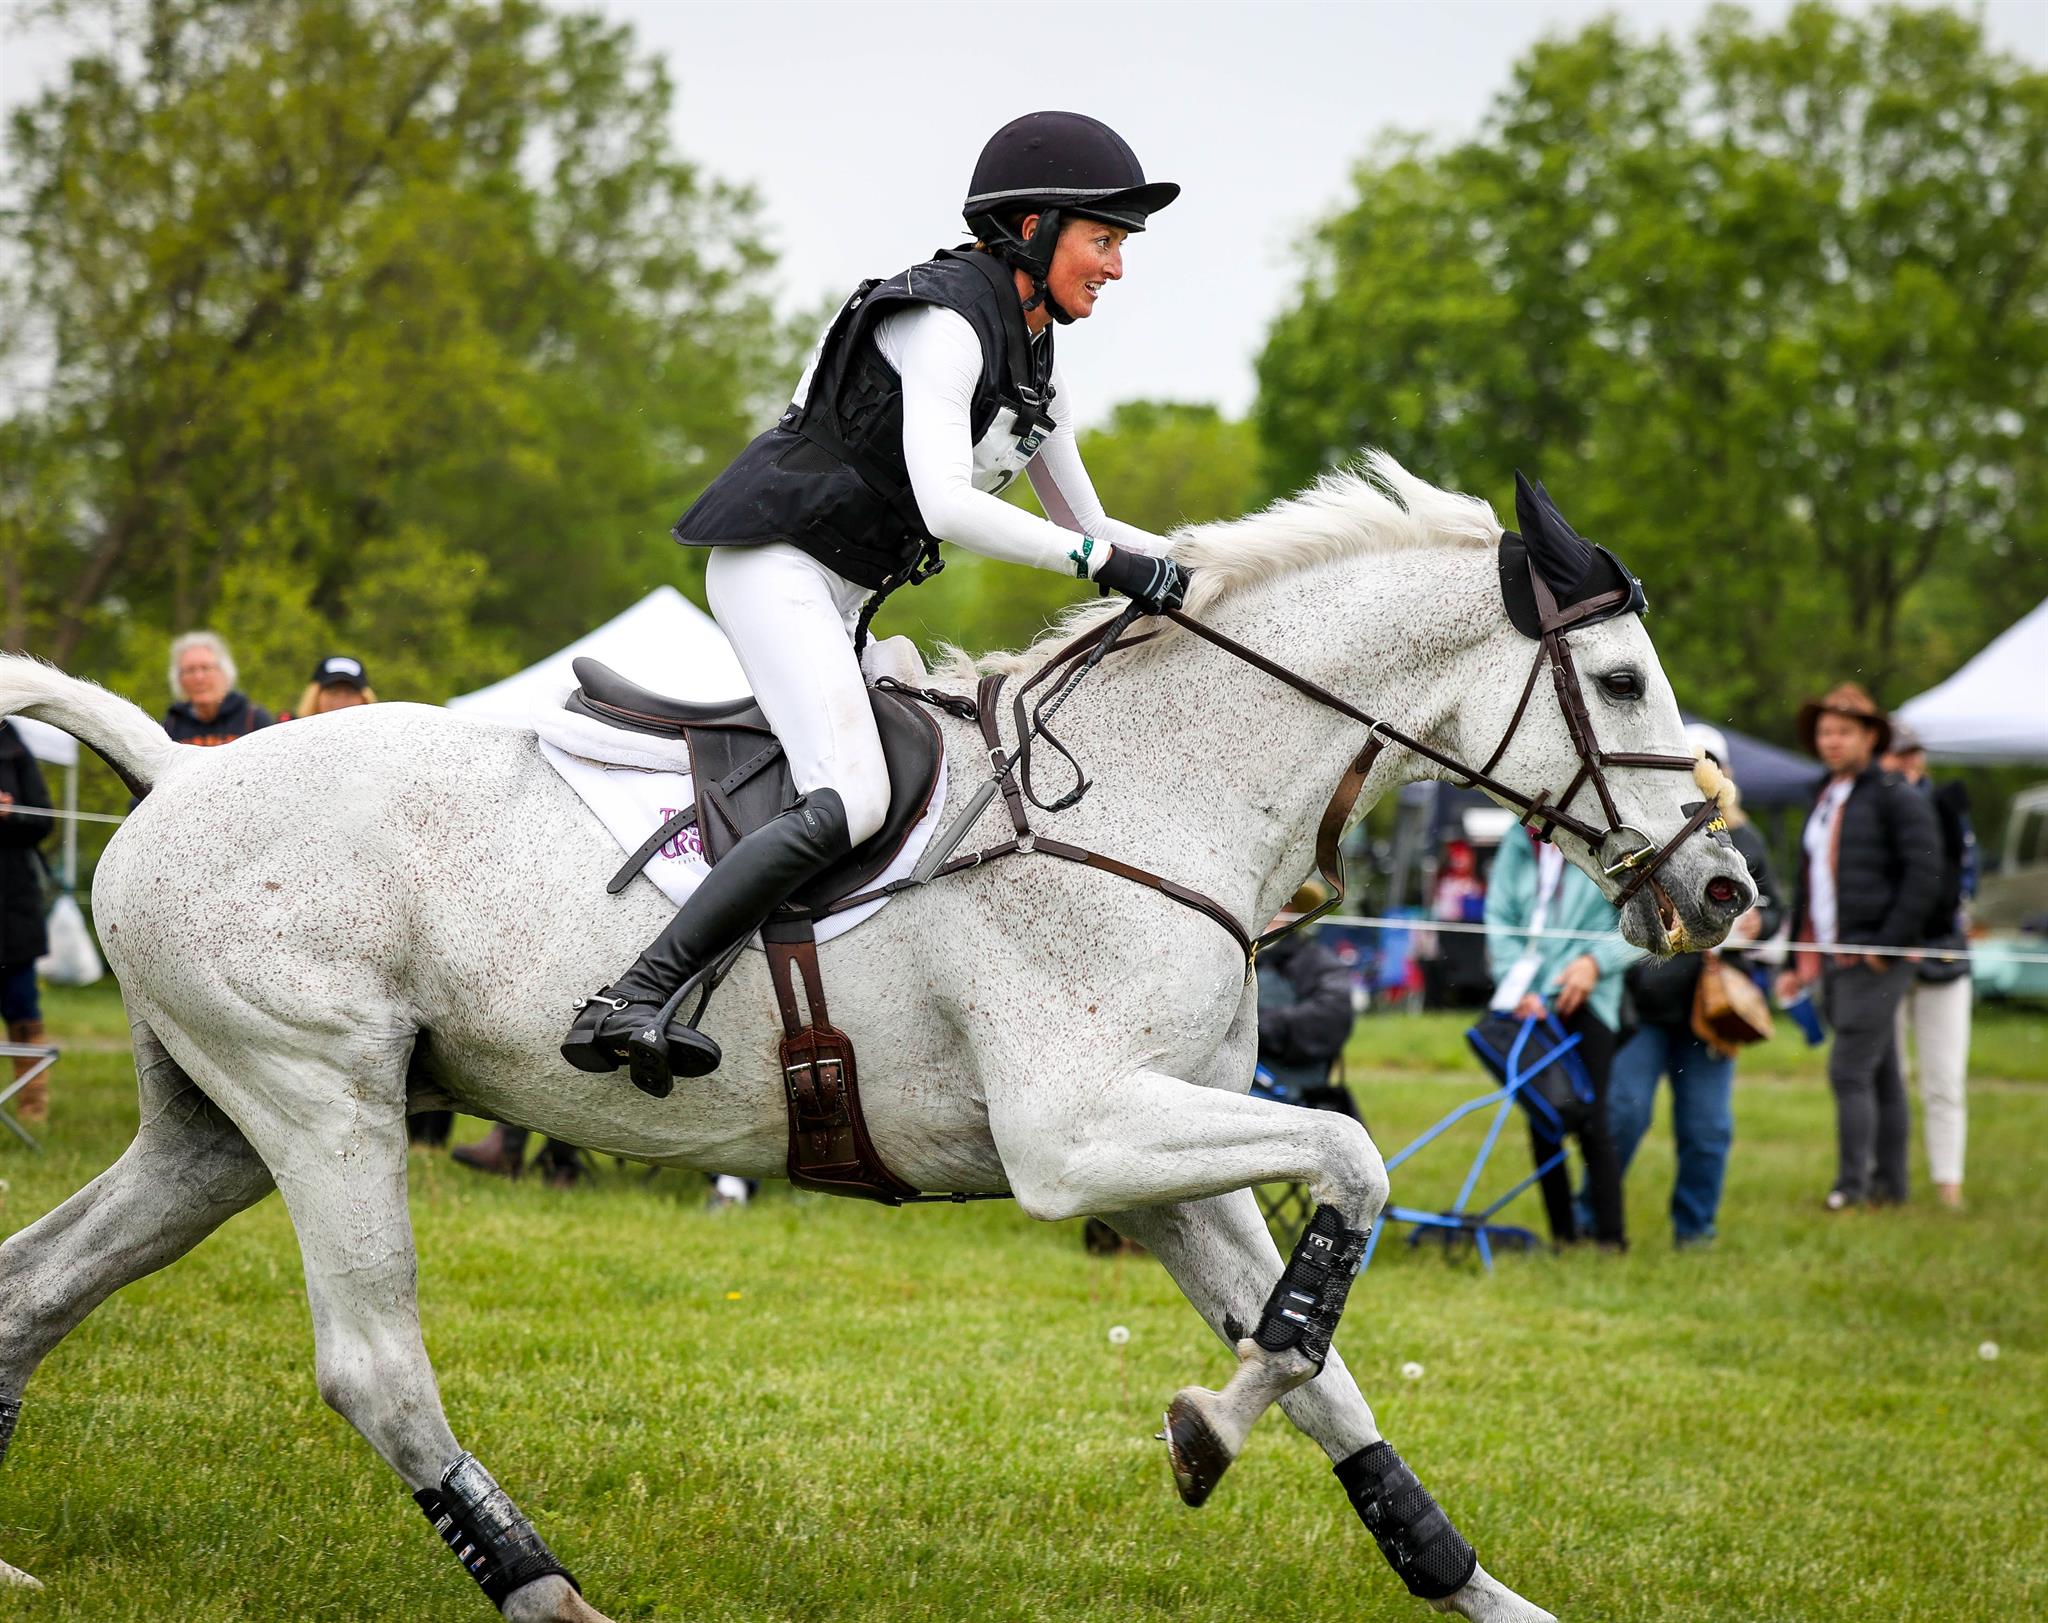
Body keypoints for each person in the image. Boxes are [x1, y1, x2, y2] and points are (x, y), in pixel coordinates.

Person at [562, 111, 1188, 1082]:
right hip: (774, 566)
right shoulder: (941, 324)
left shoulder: (1034, 359)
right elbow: (947, 506)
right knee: (851, 794)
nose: (1115, 266)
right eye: (1102, 239)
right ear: (1031, 227)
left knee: (930, 762)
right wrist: (1103, 569)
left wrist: (1222, 569)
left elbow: (1096, 530)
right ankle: (631, 995)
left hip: (843, 598)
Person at [1601, 725, 1780, 1247]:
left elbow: (1776, 907)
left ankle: (1695, 1231)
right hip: (1648, 1005)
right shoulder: (1643, 834)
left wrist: (1758, 925)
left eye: (1708, 764)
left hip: (1715, 1012)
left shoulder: (1745, 840)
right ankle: (1596, 1216)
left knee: (1707, 1130)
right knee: (1623, 1115)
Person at [1775, 684, 1940, 1211]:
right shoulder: (1822, 797)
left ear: (1870, 736)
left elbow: (1925, 874)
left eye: (1844, 731)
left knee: (1848, 1070)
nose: (1832, 741)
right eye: (1825, 732)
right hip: (1831, 957)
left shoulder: (1896, 795)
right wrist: (1792, 959)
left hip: (1873, 959)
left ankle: (1852, 1187)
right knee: (1883, 1072)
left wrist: (1886, 946)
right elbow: (1807, 886)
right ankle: (1891, 1186)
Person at [1484, 823, 1637, 1249]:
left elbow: (1644, 926)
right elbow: (1499, 917)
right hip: (1528, 1001)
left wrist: (1595, 963)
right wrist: (1518, 986)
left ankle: (1611, 1239)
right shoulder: (1516, 842)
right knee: (1542, 1117)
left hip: (1590, 998)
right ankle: (1563, 1238)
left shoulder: (1610, 844)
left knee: (1592, 1119)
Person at [1879, 720, 1974, 1209]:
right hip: (1888, 957)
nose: (1906, 762)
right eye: (1897, 753)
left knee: (1944, 1079)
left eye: (1912, 752)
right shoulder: (1872, 808)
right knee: (1888, 1075)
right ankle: (1888, 1181)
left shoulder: (1946, 806)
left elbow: (1960, 881)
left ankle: (1948, 1185)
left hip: (1942, 954)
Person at [1255, 883, 1359, 1105]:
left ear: (1291, 912)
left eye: (1276, 904)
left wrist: (1254, 1025)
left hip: (1291, 1095)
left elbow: (1330, 1019)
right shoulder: (1230, 962)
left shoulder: (1318, 963)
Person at [0, 722, 54, 1126]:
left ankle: (31, 1106)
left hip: (12, 901)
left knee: (22, 1006)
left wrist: (11, 813)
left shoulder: (13, 744)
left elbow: (43, 820)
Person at [163, 632, 273, 745]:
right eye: (190, 670)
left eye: (206, 668)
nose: (199, 677)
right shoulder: (171, 726)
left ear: (225, 673)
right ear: (178, 679)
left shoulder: (253, 720)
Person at [292, 654, 378, 719]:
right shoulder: (288, 731)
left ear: (364, 699)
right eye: (333, 692)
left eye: (350, 692)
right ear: (315, 696)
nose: (341, 700)